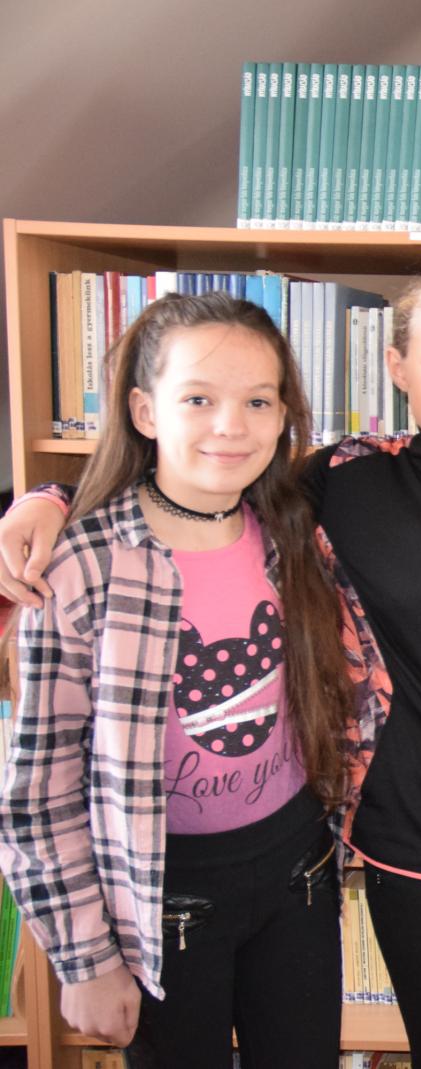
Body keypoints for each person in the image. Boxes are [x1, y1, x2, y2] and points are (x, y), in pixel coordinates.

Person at [0, 262, 421, 1068]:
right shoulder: (342, 480)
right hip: (406, 847)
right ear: (397, 366)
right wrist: (46, 498)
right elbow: (193, 482)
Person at [0, 293, 352, 1067]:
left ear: (284, 415)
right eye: (198, 398)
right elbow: (40, 790)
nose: (232, 425)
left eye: (258, 401)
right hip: (161, 901)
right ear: (144, 410)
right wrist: (85, 959)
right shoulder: (83, 566)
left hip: (297, 872)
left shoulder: (293, 532)